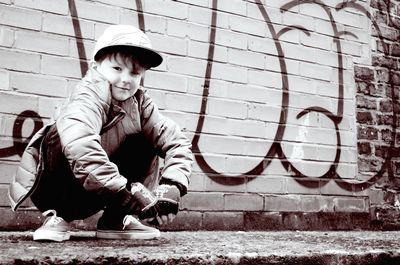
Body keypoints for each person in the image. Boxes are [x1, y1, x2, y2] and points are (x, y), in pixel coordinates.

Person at [8, 24, 193, 242]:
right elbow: (80, 146)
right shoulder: (87, 97)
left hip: (99, 192)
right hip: (57, 190)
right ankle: (58, 216)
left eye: (134, 73)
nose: (126, 79)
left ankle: (115, 220)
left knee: (145, 140)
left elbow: (176, 142)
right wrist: (124, 192)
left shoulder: (141, 104)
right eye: (117, 69)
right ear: (97, 66)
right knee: (63, 135)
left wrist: (172, 187)